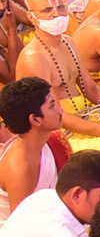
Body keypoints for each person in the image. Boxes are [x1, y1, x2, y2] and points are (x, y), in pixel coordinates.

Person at [15, 0, 100, 151]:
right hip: (59, 132)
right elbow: (53, 113)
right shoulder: (33, 57)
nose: (56, 14)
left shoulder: (68, 42)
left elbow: (91, 89)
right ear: (31, 17)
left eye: (61, 7)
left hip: (85, 115)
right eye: (47, 10)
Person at [0, 78, 62, 226]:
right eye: (52, 106)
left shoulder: (45, 143)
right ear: (35, 119)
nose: (61, 110)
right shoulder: (20, 168)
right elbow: (23, 227)